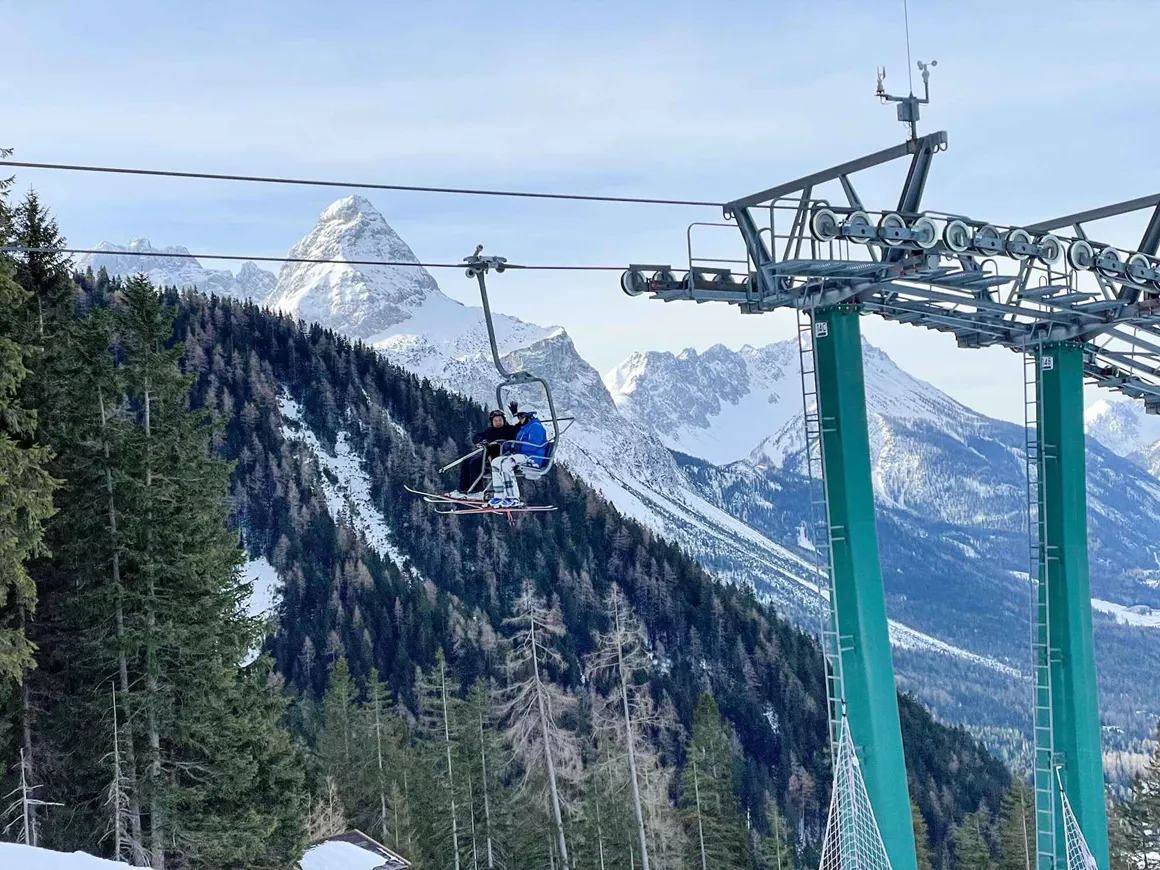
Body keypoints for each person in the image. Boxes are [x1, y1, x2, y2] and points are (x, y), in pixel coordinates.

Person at [450, 408, 519, 499]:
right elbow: (477, 437)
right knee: (466, 462)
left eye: (500, 420)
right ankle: (463, 489)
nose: (498, 422)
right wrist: (481, 441)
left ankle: (477, 491)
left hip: (500, 457)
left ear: (504, 420)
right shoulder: (490, 431)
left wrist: (516, 414)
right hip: (487, 457)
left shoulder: (509, 430)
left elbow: (519, 427)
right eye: (495, 421)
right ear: (492, 422)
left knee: (475, 464)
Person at [489, 406, 549, 508]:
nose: (520, 419)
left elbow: (534, 445)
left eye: (521, 416)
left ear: (528, 416)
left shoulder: (536, 427)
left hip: (532, 457)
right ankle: (499, 495)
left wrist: (516, 446)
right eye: (519, 416)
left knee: (506, 464)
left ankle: (513, 497)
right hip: (521, 455)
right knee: (496, 462)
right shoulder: (524, 428)